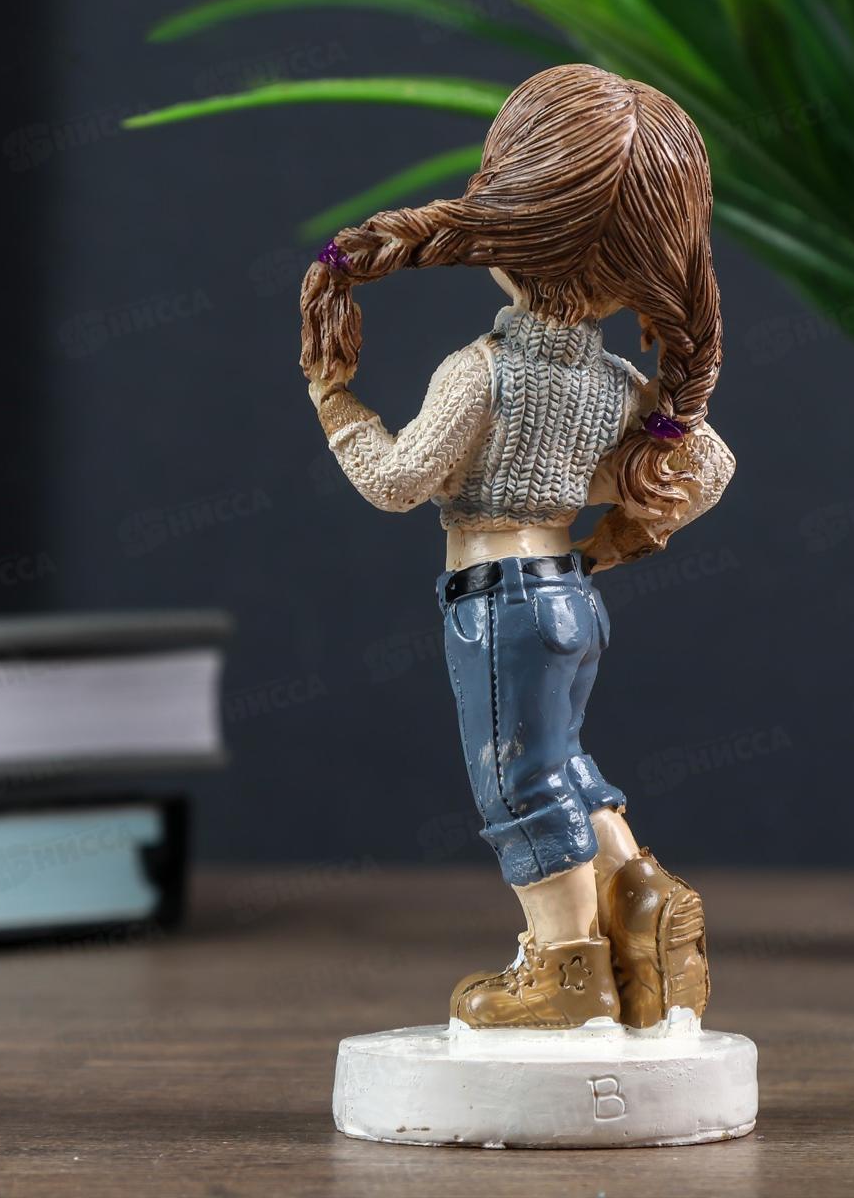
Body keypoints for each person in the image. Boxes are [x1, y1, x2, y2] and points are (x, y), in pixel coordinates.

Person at [300, 64, 733, 1031]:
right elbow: (710, 466)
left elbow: (397, 482)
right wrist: (621, 531)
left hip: (498, 600)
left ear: (506, 223)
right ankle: (647, 913)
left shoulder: (480, 373)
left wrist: (337, 406)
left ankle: (565, 971)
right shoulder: (620, 385)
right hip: (573, 595)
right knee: (567, 767)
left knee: (517, 786)